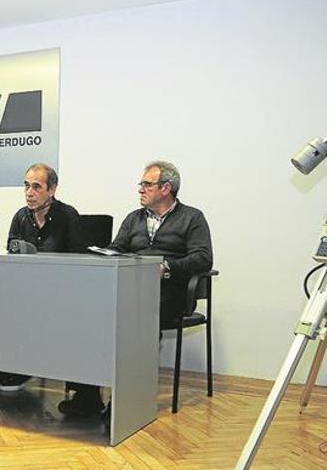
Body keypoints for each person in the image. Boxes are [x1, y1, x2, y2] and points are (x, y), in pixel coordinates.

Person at [59, 160, 213, 418]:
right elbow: (117, 247)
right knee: (87, 314)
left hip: (170, 293)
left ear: (166, 188)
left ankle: (126, 402)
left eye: (146, 184)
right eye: (141, 184)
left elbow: (203, 258)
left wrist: (167, 267)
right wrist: (103, 253)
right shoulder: (134, 218)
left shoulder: (192, 218)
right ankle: (87, 396)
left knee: (132, 321)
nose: (140, 189)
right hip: (131, 290)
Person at [0, 163, 85, 392]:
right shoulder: (20, 216)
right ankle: (5, 364)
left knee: (27, 308)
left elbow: (78, 261)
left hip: (59, 290)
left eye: (36, 186)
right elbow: (11, 254)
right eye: (26, 186)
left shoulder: (68, 216)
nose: (29, 192)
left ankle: (25, 367)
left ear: (52, 190)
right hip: (24, 287)